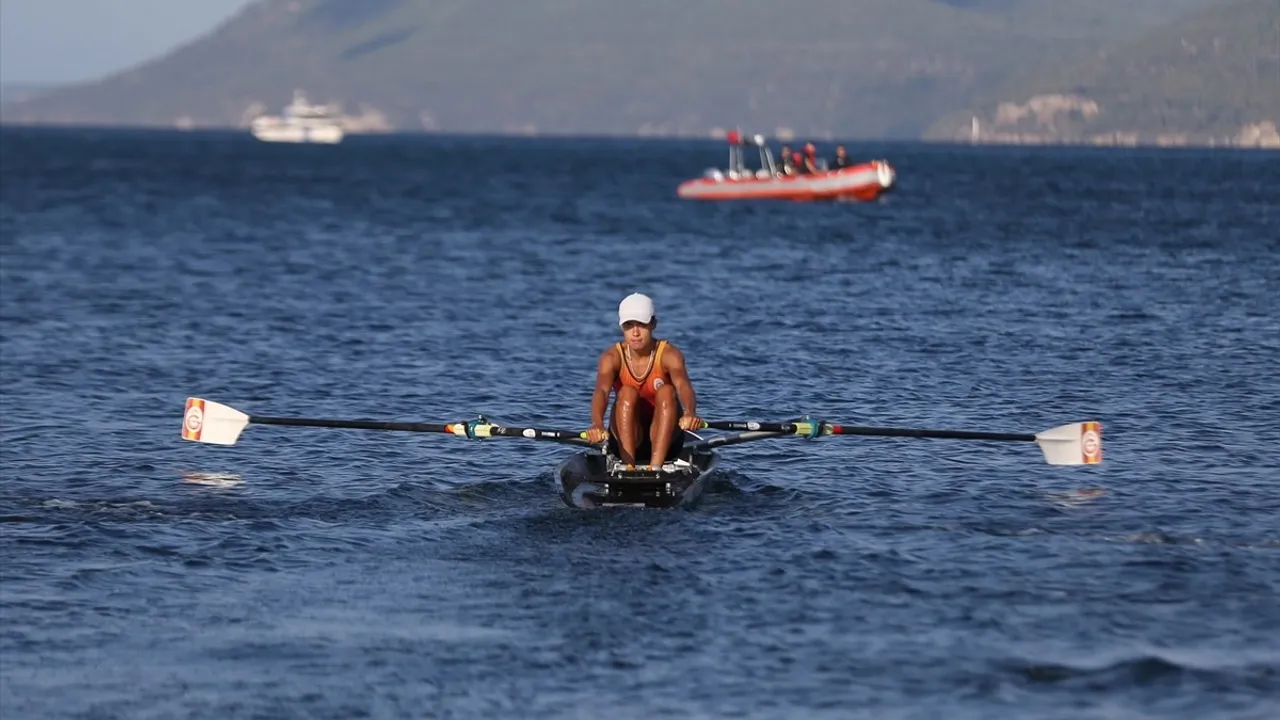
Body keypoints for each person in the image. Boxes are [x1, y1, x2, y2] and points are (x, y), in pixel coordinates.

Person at [585, 293, 702, 467]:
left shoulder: (670, 355)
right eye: (629, 326)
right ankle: (628, 467)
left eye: (641, 324)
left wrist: (690, 413)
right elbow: (601, 391)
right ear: (622, 327)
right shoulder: (611, 357)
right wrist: (597, 424)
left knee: (667, 391)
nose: (635, 333)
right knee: (627, 392)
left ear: (653, 324)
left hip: (668, 442)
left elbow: (683, 386)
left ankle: (655, 467)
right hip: (625, 441)